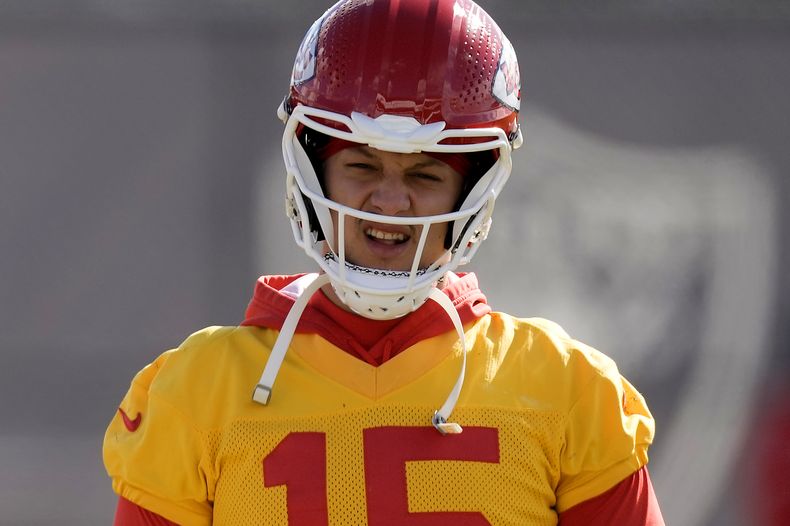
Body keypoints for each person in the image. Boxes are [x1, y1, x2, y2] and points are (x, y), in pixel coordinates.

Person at [103, 0, 665, 524]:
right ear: (312, 168)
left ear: (471, 193)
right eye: (362, 166)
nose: (391, 202)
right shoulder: (195, 392)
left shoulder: (570, 390)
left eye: (425, 174)